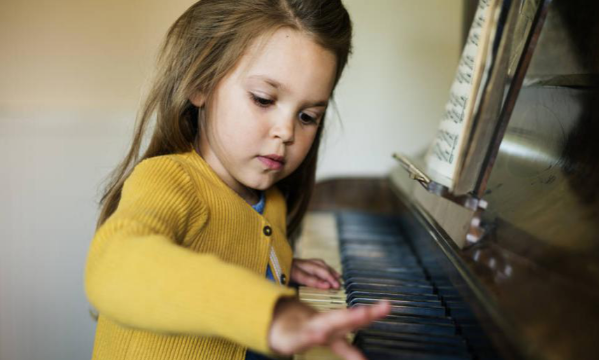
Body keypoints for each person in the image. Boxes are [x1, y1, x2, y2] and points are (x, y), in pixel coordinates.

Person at [84, 1, 391, 360]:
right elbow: (116, 266)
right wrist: (272, 311)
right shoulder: (170, 180)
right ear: (200, 83)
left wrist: (276, 267)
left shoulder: (271, 201)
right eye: (263, 99)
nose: (286, 131)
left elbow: (234, 250)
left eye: (307, 116)